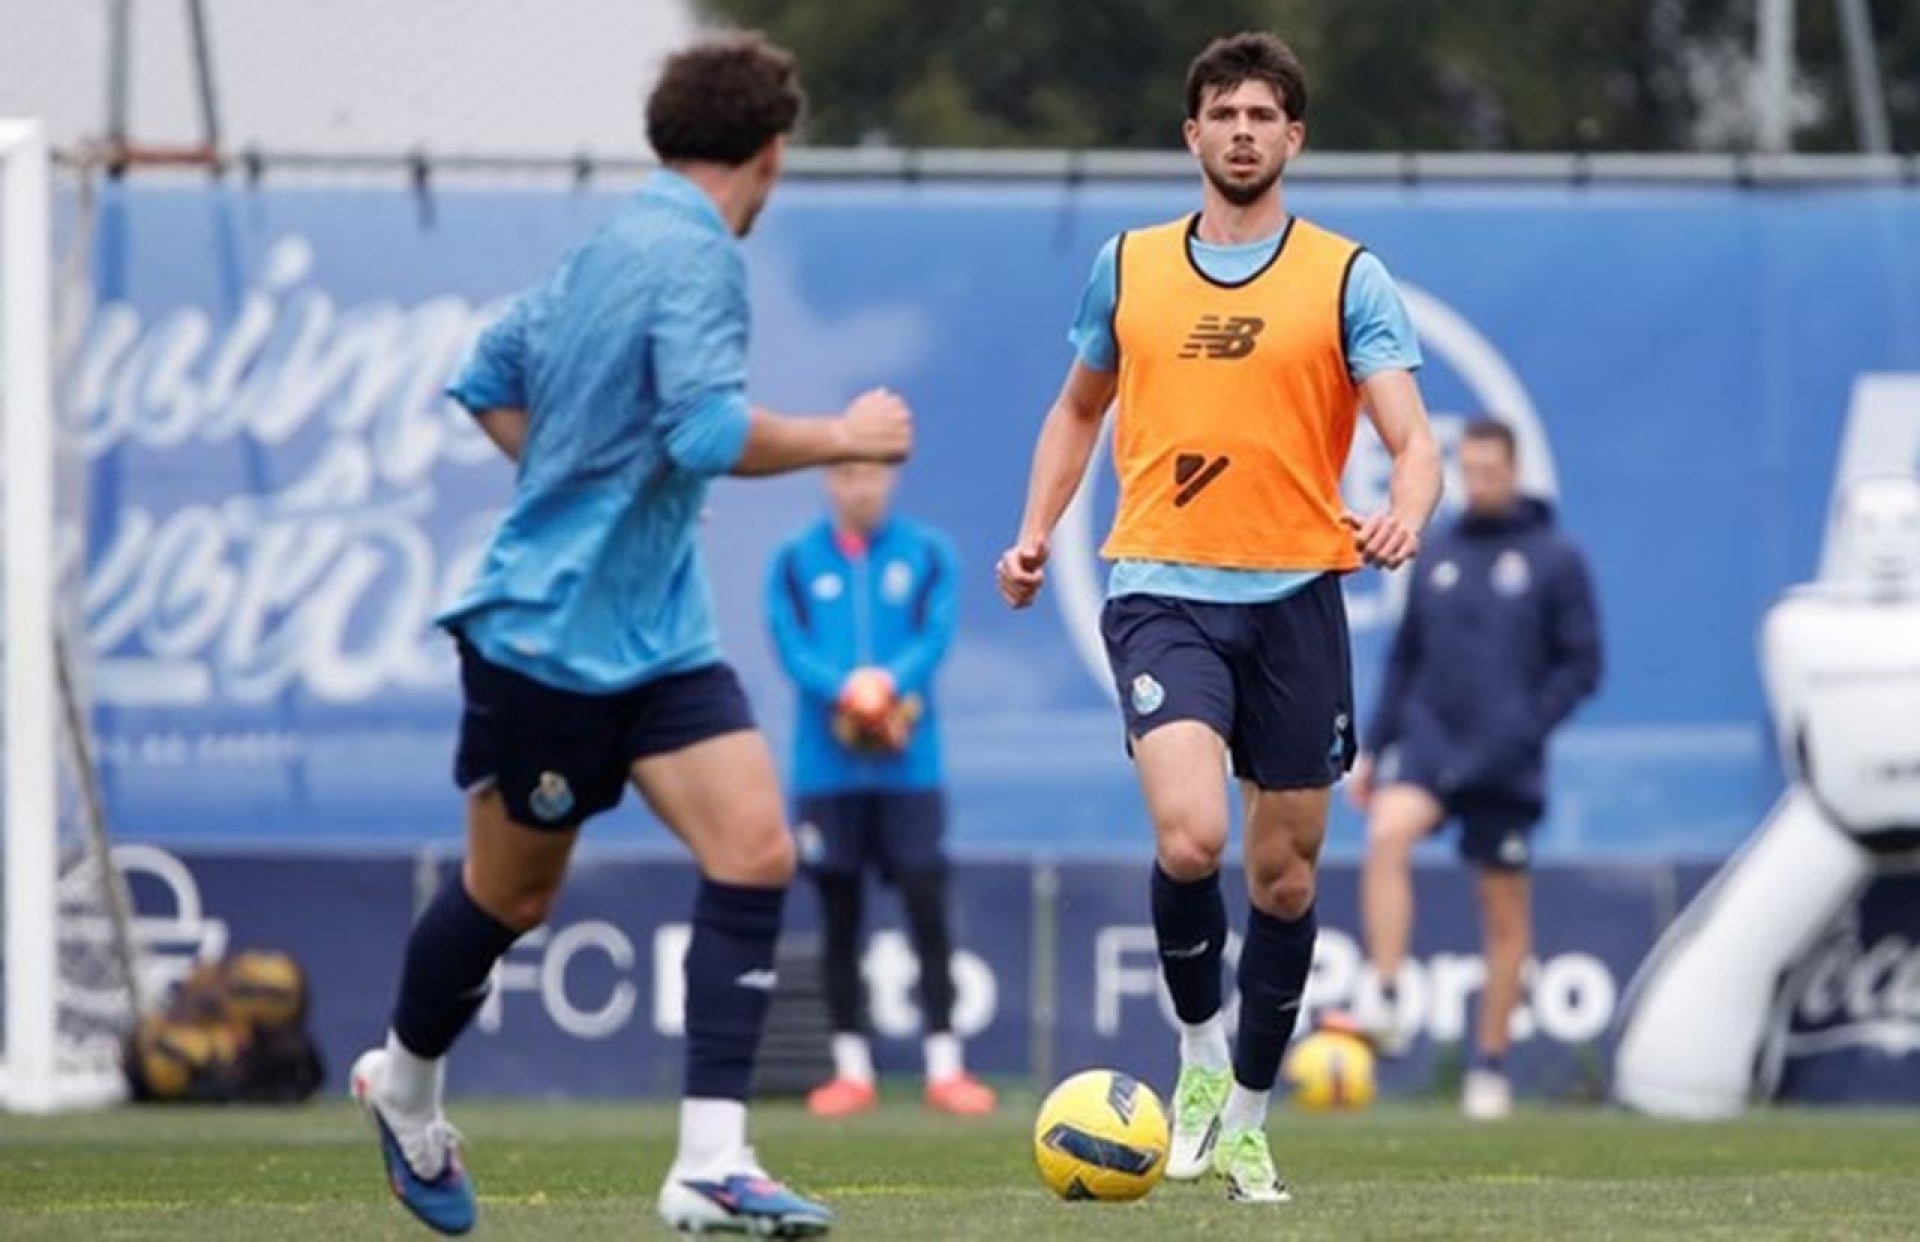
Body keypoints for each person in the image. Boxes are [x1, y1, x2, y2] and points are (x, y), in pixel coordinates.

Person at [347, 34, 910, 1239]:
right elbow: (708, 434)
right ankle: (404, 1085)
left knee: (756, 848)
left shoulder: (611, 240)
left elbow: (487, 375)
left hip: (659, 639)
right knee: (509, 898)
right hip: (549, 640)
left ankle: (711, 1163)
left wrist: (575, 481)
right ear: (770, 154)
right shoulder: (692, 253)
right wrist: (845, 437)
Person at [996, 31, 1441, 1204]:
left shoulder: (1347, 275)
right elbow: (1075, 409)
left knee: (1284, 880)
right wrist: (1036, 528)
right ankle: (1196, 1059)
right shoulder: (1130, 265)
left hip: (1298, 595)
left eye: (1263, 114)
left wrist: (1404, 506)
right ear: (1191, 134)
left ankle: (1247, 1114)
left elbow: (1412, 436)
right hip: (1158, 586)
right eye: (1222, 113)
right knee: (1192, 837)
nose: (1242, 130)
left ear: (1293, 137)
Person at [1349, 418, 1601, 1120]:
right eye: (1472, 469)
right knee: (1387, 834)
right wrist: (1374, 748)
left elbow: (1582, 665)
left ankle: (1489, 1067)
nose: (1481, 481)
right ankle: (1389, 995)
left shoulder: (1555, 557)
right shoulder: (1439, 553)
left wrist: (1525, 728)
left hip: (1504, 761)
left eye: (1493, 470)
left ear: (1515, 471)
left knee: (1503, 916)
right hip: (1431, 746)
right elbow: (1404, 657)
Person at [765, 461, 996, 1118]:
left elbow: (935, 635)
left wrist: (887, 685)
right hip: (826, 771)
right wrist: (847, 689)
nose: (859, 488)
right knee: (840, 917)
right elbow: (789, 641)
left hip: (910, 769)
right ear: (829, 483)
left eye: (871, 475)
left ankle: (946, 1065)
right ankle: (850, 1068)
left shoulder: (926, 554)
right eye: (846, 476)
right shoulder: (794, 559)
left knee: (927, 907)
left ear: (891, 480)